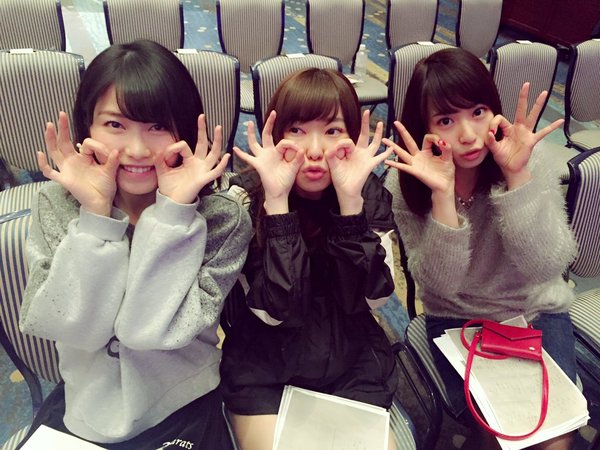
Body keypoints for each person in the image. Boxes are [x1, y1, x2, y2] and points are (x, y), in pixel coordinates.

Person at [18, 39, 252, 449]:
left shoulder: (220, 217)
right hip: (86, 404)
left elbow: (148, 332)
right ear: (87, 127)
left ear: (184, 129)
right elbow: (66, 325)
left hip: (180, 399)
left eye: (157, 126)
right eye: (115, 125)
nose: (138, 150)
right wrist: (95, 217)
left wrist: (173, 214)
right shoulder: (57, 204)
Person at [383, 47, 577, 450]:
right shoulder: (406, 184)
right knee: (497, 428)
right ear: (425, 128)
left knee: (554, 437)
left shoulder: (527, 158)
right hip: (458, 318)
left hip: (534, 310)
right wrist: (442, 196)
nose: (469, 135)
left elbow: (546, 266)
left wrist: (517, 177)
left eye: (478, 111)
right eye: (446, 120)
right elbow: (441, 285)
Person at [219, 68, 399, 450]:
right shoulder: (247, 197)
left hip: (352, 360)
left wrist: (350, 207)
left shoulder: (366, 193)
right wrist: (278, 205)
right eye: (297, 130)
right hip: (265, 365)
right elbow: (277, 312)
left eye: (333, 130)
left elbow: (373, 299)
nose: (315, 150)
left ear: (353, 135)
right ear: (275, 135)